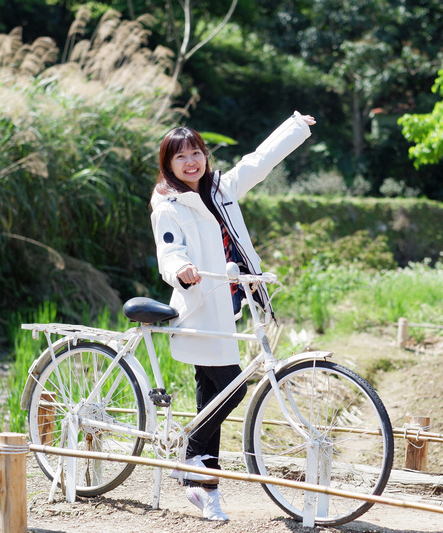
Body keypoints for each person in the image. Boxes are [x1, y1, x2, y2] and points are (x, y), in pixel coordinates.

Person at [150, 112, 316, 521]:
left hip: (227, 309)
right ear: (168, 165)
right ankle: (191, 456)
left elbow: (259, 161)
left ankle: (203, 486)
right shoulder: (168, 205)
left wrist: (295, 127)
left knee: (213, 397)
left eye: (196, 153)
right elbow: (169, 251)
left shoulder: (222, 188)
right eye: (180, 157)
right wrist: (181, 270)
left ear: (205, 156)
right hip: (199, 309)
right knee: (233, 389)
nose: (191, 162)